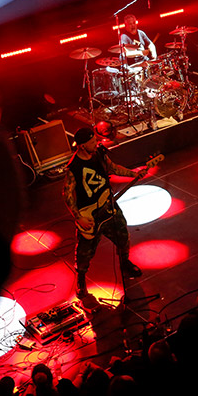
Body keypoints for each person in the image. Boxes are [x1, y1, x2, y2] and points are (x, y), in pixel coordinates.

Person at [63, 127, 146, 296]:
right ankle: (81, 281)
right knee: (85, 253)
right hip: (90, 215)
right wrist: (79, 218)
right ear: (82, 146)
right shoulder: (75, 167)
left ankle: (125, 263)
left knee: (123, 236)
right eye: (92, 142)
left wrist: (133, 174)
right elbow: (67, 194)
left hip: (109, 206)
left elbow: (112, 168)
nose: (96, 144)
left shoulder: (99, 154)